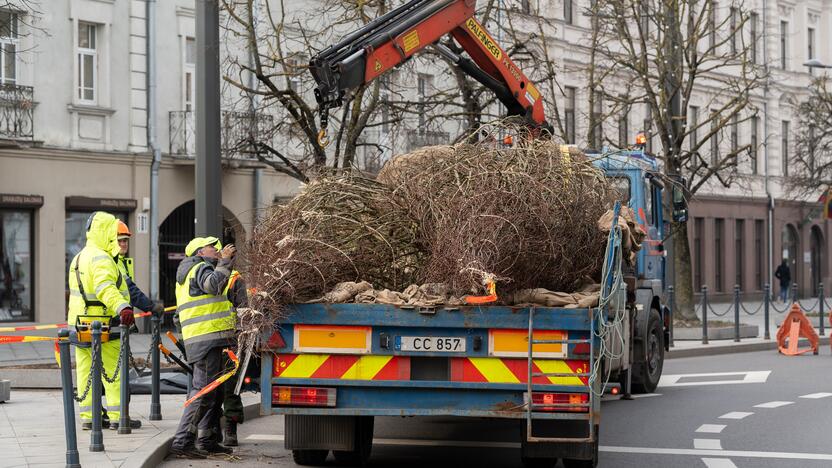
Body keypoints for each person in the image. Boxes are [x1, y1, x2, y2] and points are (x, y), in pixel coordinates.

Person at [67, 211, 140, 431]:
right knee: (113, 371)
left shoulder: (78, 257)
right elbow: (104, 288)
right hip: (103, 325)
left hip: (79, 324)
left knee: (85, 371)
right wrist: (122, 307)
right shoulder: (102, 258)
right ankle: (118, 417)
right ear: (105, 231)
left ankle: (89, 417)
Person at [170, 236, 238, 459]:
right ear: (200, 252)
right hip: (206, 338)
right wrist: (225, 262)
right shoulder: (198, 268)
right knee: (203, 392)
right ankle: (182, 441)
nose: (218, 250)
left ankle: (207, 439)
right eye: (212, 247)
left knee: (213, 392)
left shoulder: (197, 268)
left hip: (209, 338)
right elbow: (214, 285)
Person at [221, 269, 248, 446]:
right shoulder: (196, 275)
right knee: (207, 390)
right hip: (203, 341)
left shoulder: (233, 280)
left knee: (230, 386)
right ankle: (210, 430)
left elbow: (243, 312)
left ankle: (230, 428)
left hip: (228, 340)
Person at [115, 220, 164, 317]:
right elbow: (131, 290)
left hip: (121, 315)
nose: (123, 244)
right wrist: (151, 306)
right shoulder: (115, 262)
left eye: (125, 240)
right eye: (119, 241)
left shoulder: (122, 262)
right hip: (116, 316)